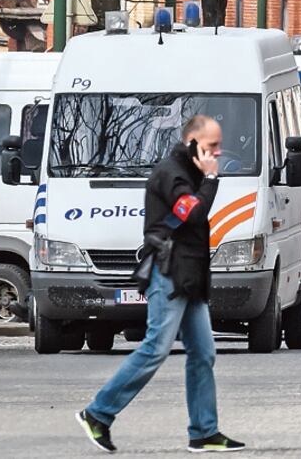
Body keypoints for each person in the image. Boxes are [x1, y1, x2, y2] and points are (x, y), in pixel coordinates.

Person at [76, 115, 244, 454]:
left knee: (203, 354)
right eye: (211, 145)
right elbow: (193, 214)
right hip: (169, 273)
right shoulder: (172, 173)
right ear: (191, 142)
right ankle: (97, 413)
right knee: (155, 347)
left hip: (189, 275)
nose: (217, 152)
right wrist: (211, 179)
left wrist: (206, 177)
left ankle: (204, 431)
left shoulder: (188, 172)